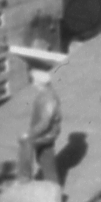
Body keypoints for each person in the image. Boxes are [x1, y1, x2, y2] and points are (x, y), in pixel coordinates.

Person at [17, 56, 65, 189]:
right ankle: (53, 185)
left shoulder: (48, 98)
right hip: (46, 132)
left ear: (39, 83)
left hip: (47, 133)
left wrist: (29, 133)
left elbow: (45, 123)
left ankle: (24, 177)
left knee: (26, 142)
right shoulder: (45, 94)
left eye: (33, 81)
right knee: (45, 158)